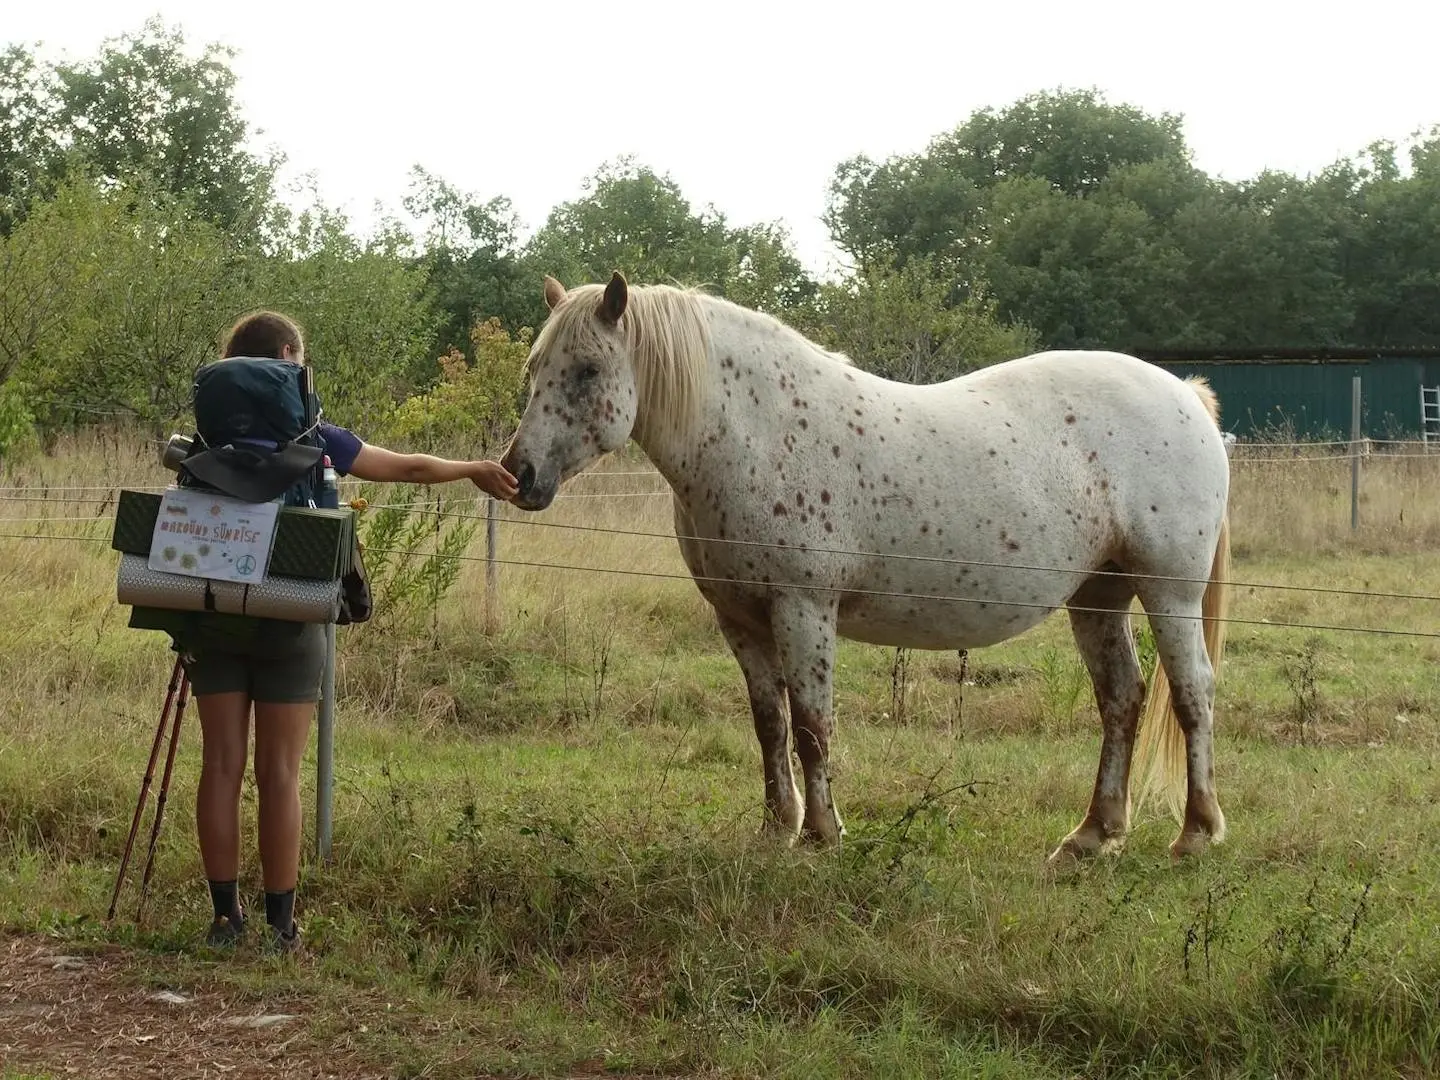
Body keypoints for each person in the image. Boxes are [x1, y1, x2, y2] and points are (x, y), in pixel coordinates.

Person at [184, 310, 518, 954]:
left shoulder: (203, 442)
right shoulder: (318, 438)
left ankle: (225, 921)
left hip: (213, 613)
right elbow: (412, 468)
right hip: (291, 615)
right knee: (279, 771)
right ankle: (281, 927)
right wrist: (473, 466)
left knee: (220, 766)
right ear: (288, 357)